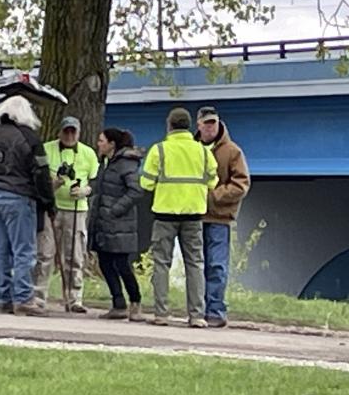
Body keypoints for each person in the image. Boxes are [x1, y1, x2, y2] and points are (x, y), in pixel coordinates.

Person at [141, 108, 219, 328]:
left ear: (169, 125)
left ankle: (161, 314)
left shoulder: (159, 150)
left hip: (165, 214)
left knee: (161, 264)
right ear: (190, 126)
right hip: (194, 215)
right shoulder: (204, 152)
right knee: (195, 264)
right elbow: (213, 182)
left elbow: (146, 182)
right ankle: (197, 315)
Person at [0, 96, 54, 317]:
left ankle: (1, 297)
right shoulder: (29, 137)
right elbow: (41, 173)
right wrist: (48, 201)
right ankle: (23, 298)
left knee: (0, 250)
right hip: (18, 197)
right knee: (24, 251)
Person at [33, 116, 99, 313]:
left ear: (78, 133)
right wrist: (53, 184)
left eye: (73, 132)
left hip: (77, 210)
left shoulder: (88, 153)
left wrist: (85, 191)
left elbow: (95, 182)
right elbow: (38, 179)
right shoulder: (47, 149)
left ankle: (74, 298)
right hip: (51, 209)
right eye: (66, 131)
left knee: (75, 255)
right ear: (59, 132)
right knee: (45, 253)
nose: (69, 135)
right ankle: (38, 297)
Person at [195, 106, 251, 328]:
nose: (210, 127)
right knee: (196, 266)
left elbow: (241, 184)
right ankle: (197, 310)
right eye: (206, 123)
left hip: (219, 218)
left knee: (216, 265)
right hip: (194, 218)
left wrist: (213, 197)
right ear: (198, 125)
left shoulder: (232, 151)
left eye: (213, 123)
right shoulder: (191, 149)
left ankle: (215, 310)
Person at [90, 128, 145, 321]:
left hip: (120, 223)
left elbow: (136, 191)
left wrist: (115, 209)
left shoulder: (125, 164)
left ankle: (135, 301)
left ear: (112, 144)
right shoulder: (107, 164)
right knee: (105, 262)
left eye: (102, 140)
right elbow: (102, 187)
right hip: (105, 222)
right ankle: (118, 303)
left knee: (122, 264)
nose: (99, 144)